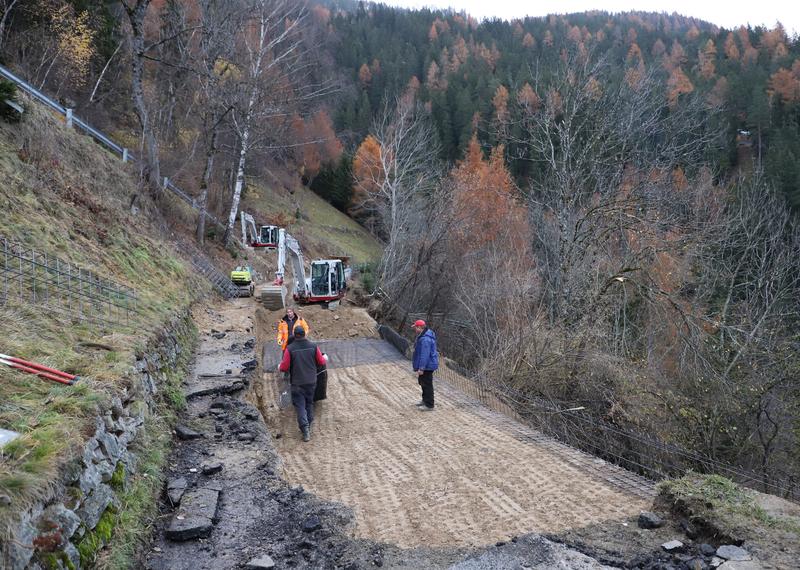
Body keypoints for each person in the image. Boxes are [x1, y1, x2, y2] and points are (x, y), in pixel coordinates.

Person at [278, 326, 327, 441]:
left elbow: (284, 367)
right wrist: (324, 358)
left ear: (294, 335)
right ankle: (308, 426)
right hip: (311, 381)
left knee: (300, 405)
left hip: (297, 383)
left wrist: (280, 367)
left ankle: (305, 428)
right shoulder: (313, 346)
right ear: (305, 334)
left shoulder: (290, 349)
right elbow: (321, 362)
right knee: (309, 404)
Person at [412, 319, 439, 411]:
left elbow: (424, 355)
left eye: (415, 327)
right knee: (423, 383)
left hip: (428, 365)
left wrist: (421, 368)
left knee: (427, 384)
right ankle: (425, 400)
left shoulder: (425, 339)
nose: (415, 329)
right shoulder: (424, 335)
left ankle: (429, 405)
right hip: (427, 365)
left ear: (420, 327)